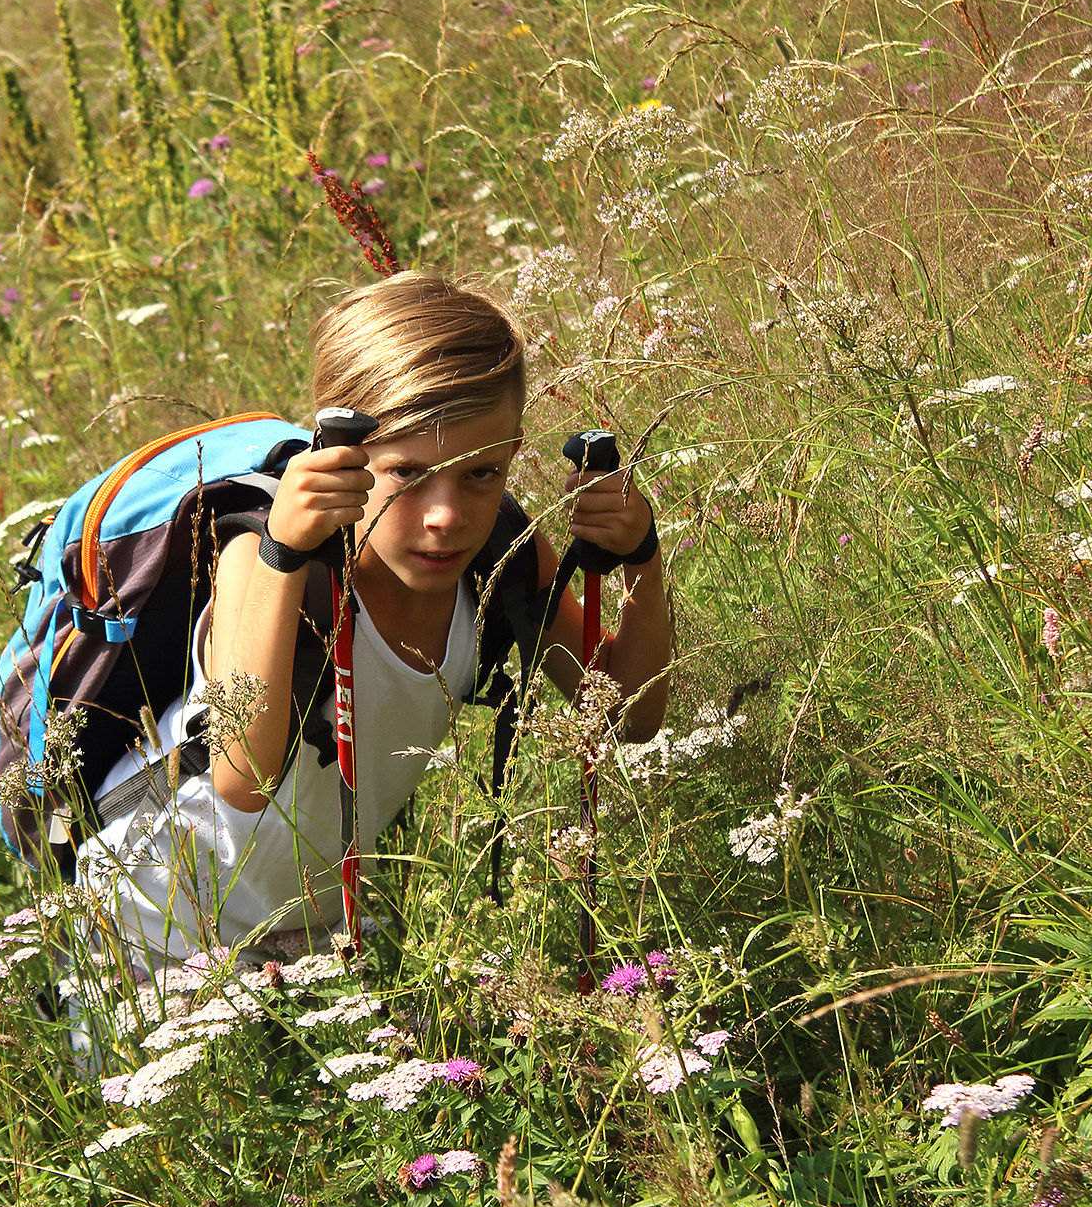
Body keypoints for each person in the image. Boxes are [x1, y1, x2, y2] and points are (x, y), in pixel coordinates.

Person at [76, 273, 672, 964]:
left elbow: (627, 716)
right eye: (408, 474)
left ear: (513, 454)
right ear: (338, 456)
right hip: (151, 923)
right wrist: (282, 553)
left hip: (318, 924)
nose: (445, 515)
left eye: (480, 474)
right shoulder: (266, 556)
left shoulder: (503, 551)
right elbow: (244, 776)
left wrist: (640, 557)